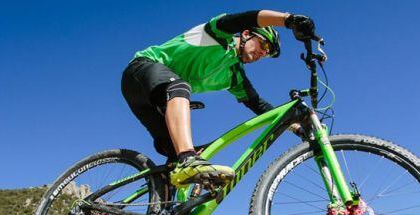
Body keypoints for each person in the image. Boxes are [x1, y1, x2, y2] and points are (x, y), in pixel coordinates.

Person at [121, 10, 316, 187]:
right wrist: (288, 20)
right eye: (263, 44)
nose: (262, 53)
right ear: (247, 34)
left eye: (266, 53)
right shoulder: (219, 35)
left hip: (153, 100)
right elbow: (247, 17)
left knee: (174, 164)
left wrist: (297, 128)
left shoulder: (235, 75)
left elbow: (260, 106)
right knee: (179, 89)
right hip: (140, 71)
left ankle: (159, 211)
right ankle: (188, 158)